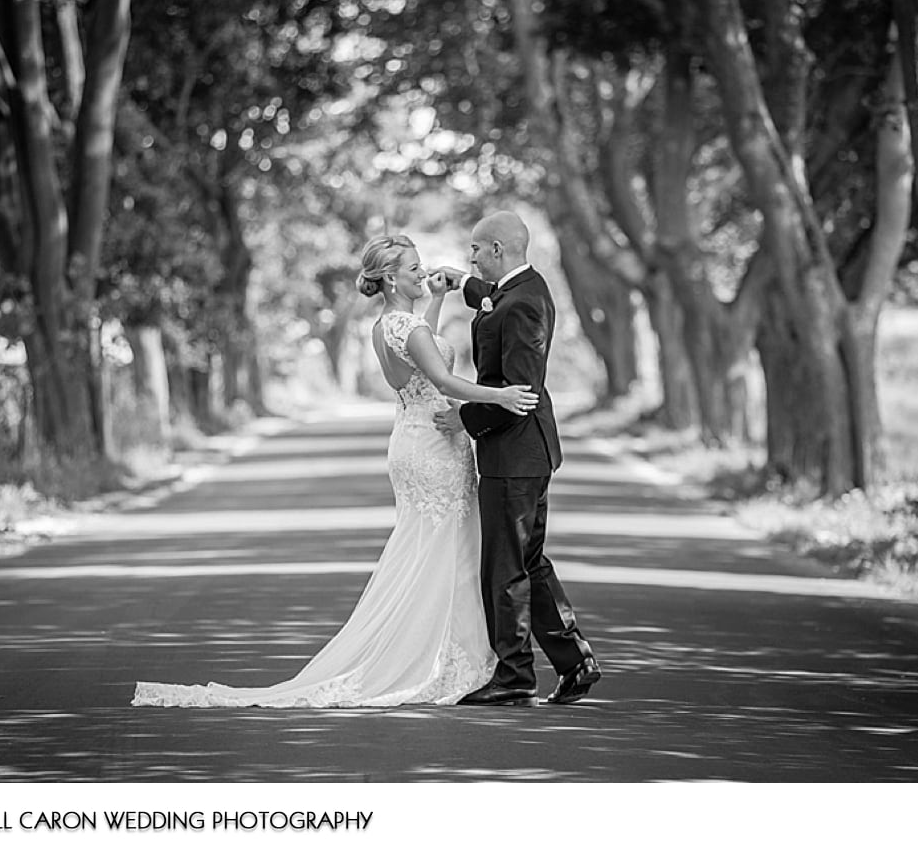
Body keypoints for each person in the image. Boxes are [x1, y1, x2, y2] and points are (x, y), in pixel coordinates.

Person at [131, 234, 538, 708]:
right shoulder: (410, 328)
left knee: (427, 549)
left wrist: (439, 300)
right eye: (413, 267)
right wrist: (502, 396)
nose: (422, 272)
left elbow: (420, 364)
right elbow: (444, 379)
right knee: (450, 548)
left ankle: (440, 651)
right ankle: (447, 658)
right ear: (390, 277)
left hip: (411, 438)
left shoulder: (386, 326)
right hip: (435, 445)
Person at [433, 211, 601, 707]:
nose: (471, 256)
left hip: (516, 453)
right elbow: (489, 300)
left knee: (504, 568)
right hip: (525, 453)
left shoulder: (523, 302)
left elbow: (518, 392)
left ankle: (514, 675)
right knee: (529, 561)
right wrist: (460, 281)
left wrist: (466, 419)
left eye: (475, 251)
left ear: (498, 250)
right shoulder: (518, 288)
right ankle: (575, 662)